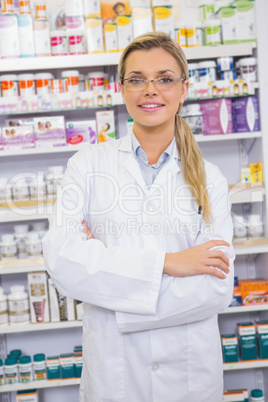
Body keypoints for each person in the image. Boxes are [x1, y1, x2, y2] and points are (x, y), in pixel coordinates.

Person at [43, 32, 234, 402]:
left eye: (164, 78)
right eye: (136, 79)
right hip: (114, 376)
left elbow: (215, 287)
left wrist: (111, 291)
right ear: (122, 89)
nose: (150, 90)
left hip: (189, 375)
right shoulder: (88, 164)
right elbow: (63, 260)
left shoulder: (210, 178)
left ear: (183, 89)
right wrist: (171, 263)